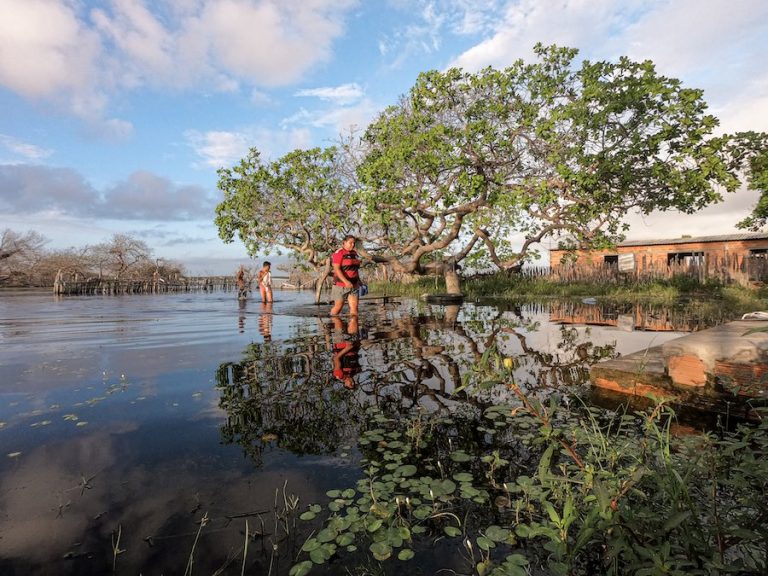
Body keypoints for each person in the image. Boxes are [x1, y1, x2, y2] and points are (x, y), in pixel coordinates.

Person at [330, 235, 363, 316]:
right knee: (338, 307)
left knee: (354, 308)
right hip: (340, 285)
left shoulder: (354, 253)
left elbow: (355, 269)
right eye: (350, 243)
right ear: (344, 243)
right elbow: (337, 269)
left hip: (354, 285)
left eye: (354, 243)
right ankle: (331, 324)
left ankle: (354, 328)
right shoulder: (339, 253)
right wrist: (346, 282)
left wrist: (359, 281)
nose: (353, 245)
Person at [330, 316, 361, 389]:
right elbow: (356, 354)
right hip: (352, 344)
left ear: (345, 384)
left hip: (340, 343)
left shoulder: (339, 374)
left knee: (337, 319)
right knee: (354, 318)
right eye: (353, 383)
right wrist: (358, 344)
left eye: (350, 384)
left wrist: (347, 348)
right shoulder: (355, 371)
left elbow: (336, 358)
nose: (352, 382)